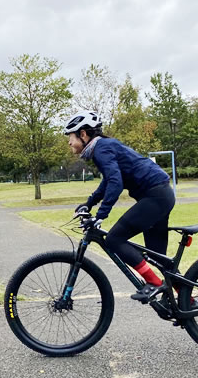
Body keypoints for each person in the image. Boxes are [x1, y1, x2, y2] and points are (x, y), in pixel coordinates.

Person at [65, 110, 175, 301]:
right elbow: (109, 181)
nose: (69, 143)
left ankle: (154, 283)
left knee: (114, 239)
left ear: (83, 134)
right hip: (160, 194)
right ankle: (186, 302)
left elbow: (115, 182)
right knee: (157, 258)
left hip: (155, 196)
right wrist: (89, 204)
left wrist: (101, 215)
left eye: (71, 137)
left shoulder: (101, 149)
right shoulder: (103, 147)